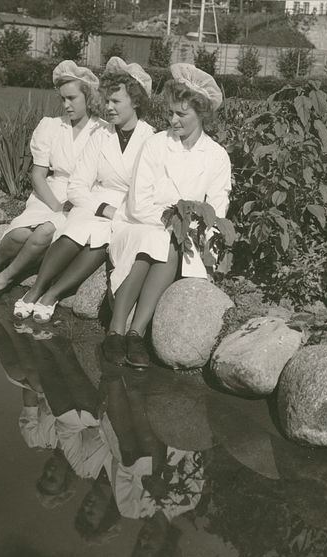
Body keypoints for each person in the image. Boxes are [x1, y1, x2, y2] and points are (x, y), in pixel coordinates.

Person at [103, 63, 232, 368]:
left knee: (169, 242)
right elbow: (137, 205)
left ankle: (134, 333)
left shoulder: (216, 157)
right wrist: (172, 221)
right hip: (138, 225)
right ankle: (116, 331)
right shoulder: (155, 145)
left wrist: (187, 226)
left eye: (181, 114)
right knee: (158, 238)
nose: (173, 120)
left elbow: (216, 213)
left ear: (201, 113)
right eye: (170, 112)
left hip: (184, 237)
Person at [14, 57, 156, 322]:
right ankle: (34, 290)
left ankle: (52, 294)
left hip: (128, 210)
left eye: (116, 102)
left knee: (101, 238)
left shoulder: (151, 140)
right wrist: (102, 207)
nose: (109, 108)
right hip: (93, 201)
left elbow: (147, 191)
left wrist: (119, 213)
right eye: (107, 101)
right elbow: (78, 186)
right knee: (76, 229)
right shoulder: (101, 135)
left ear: (135, 102)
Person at [0, 60, 106, 299]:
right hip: (50, 192)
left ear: (89, 96)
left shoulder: (103, 131)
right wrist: (55, 205)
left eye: (72, 98)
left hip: (82, 198)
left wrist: (70, 206)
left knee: (43, 233)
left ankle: (6, 277)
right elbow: (38, 175)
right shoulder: (51, 126)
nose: (66, 105)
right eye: (62, 99)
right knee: (19, 234)